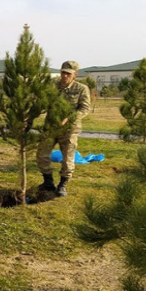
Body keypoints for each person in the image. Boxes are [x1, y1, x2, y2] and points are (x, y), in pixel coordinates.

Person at [36, 61, 91, 197]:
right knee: (41, 155)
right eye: (63, 72)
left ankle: (62, 185)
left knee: (67, 158)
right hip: (50, 127)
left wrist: (69, 118)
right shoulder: (53, 87)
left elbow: (84, 108)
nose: (65, 76)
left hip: (69, 129)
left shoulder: (81, 89)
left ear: (75, 75)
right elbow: (43, 104)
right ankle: (48, 182)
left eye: (68, 73)